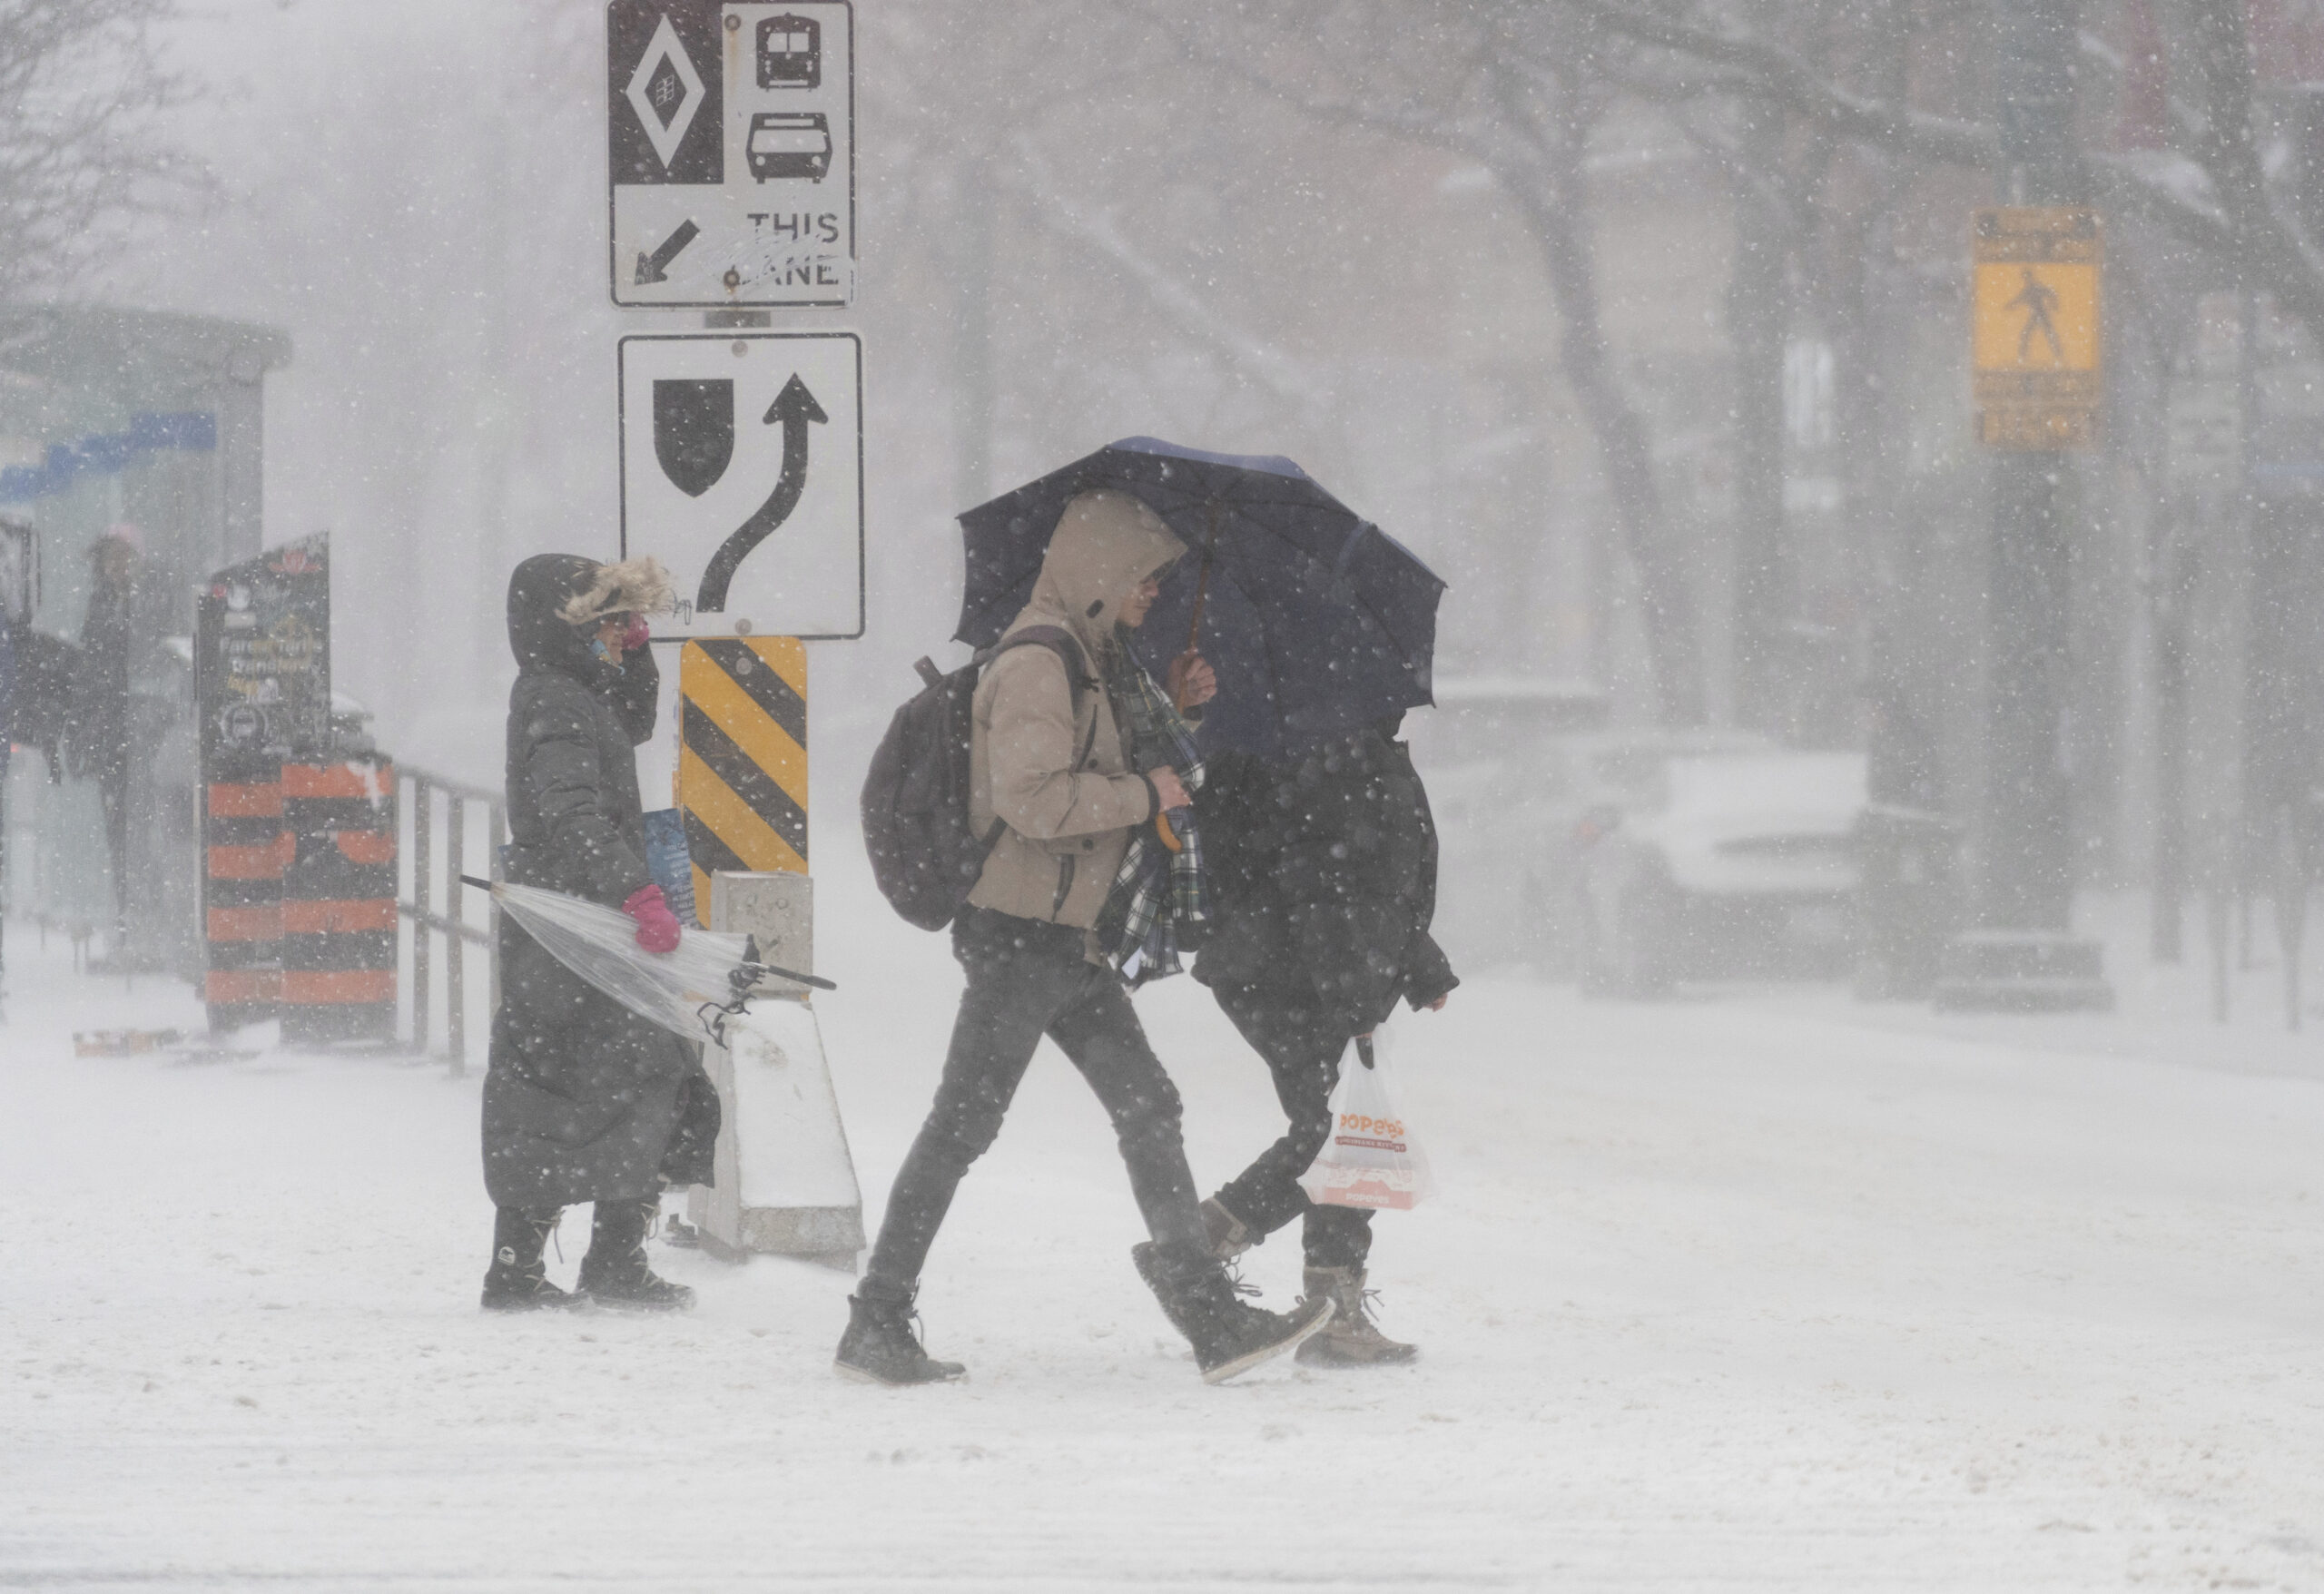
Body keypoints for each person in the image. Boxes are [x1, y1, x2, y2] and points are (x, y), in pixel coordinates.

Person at [838, 490, 1333, 1385]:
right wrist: (1148, 793)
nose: (1153, 593)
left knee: (1148, 1105)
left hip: (1068, 938)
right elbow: (1035, 800)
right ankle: (876, 1316)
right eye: (1144, 577)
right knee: (963, 1129)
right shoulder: (1038, 662)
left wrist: (1174, 715)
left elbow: (1112, 771)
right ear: (1099, 573)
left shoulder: (1098, 662)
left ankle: (1207, 1313)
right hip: (1019, 935)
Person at [479, 554, 718, 1313]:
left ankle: (611, 1259)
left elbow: (633, 722)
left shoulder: (574, 693)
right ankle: (518, 1271)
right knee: (552, 1092)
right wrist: (636, 889)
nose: (624, 633)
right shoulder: (552, 702)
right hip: (569, 929)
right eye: (613, 622)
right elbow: (569, 813)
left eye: (629, 622)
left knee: (647, 1078)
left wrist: (640, 654)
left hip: (592, 925)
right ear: (569, 627)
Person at [1192, 716, 1458, 1365]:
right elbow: (1320, 882)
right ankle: (1205, 1255)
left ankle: (1232, 1263)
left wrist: (1416, 964)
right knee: (1339, 1131)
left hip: (1297, 964)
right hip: (1288, 970)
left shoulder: (1347, 740)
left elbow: (1368, 881)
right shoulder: (1322, 744)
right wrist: (1353, 998)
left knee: (1343, 1129)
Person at [69, 529, 147, 954]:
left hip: (143, 732)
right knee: (118, 827)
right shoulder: (100, 605)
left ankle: (140, 917)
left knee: (143, 826)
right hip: (113, 735)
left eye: (124, 557)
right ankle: (127, 916)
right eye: (111, 559)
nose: (118, 566)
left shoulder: (149, 602)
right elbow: (92, 670)